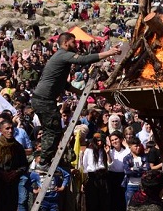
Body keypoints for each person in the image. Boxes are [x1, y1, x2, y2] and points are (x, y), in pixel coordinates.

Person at [31, 33, 121, 166]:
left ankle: (45, 160)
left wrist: (81, 92)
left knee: (52, 130)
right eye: (73, 42)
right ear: (65, 43)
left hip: (42, 100)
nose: (76, 45)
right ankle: (43, 162)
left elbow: (64, 84)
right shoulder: (63, 54)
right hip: (44, 100)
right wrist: (110, 52)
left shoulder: (61, 59)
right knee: (53, 130)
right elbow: (83, 60)